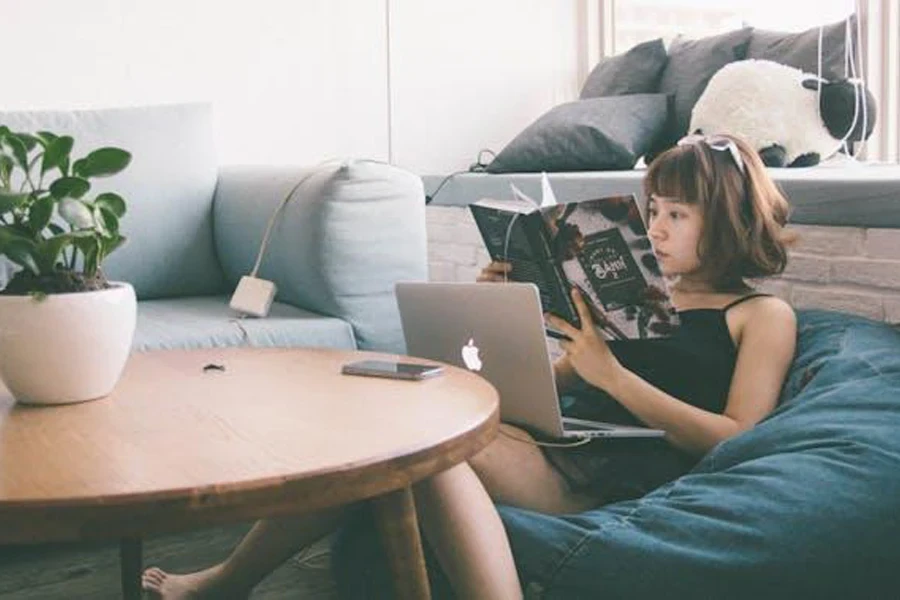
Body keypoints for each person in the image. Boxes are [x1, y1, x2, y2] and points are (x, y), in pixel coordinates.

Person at [142, 133, 797, 599]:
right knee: (388, 429)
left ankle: (228, 583)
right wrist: (506, 316)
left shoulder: (759, 315)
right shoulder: (638, 291)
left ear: (731, 220)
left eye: (677, 215)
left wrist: (612, 376)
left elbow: (736, 436)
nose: (655, 228)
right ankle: (231, 580)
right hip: (563, 444)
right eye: (653, 210)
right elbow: (559, 385)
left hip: (613, 482)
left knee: (430, 451)